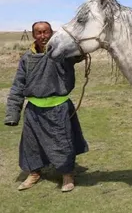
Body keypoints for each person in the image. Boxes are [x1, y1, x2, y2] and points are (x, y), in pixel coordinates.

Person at [4, 21, 89, 192]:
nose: (43, 36)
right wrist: (12, 114)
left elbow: (80, 52)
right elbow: (18, 86)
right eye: (38, 33)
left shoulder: (62, 54)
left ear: (52, 33)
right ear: (33, 35)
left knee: (62, 143)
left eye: (46, 32)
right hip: (33, 110)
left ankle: (67, 175)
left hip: (59, 108)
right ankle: (34, 173)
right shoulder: (27, 59)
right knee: (31, 145)